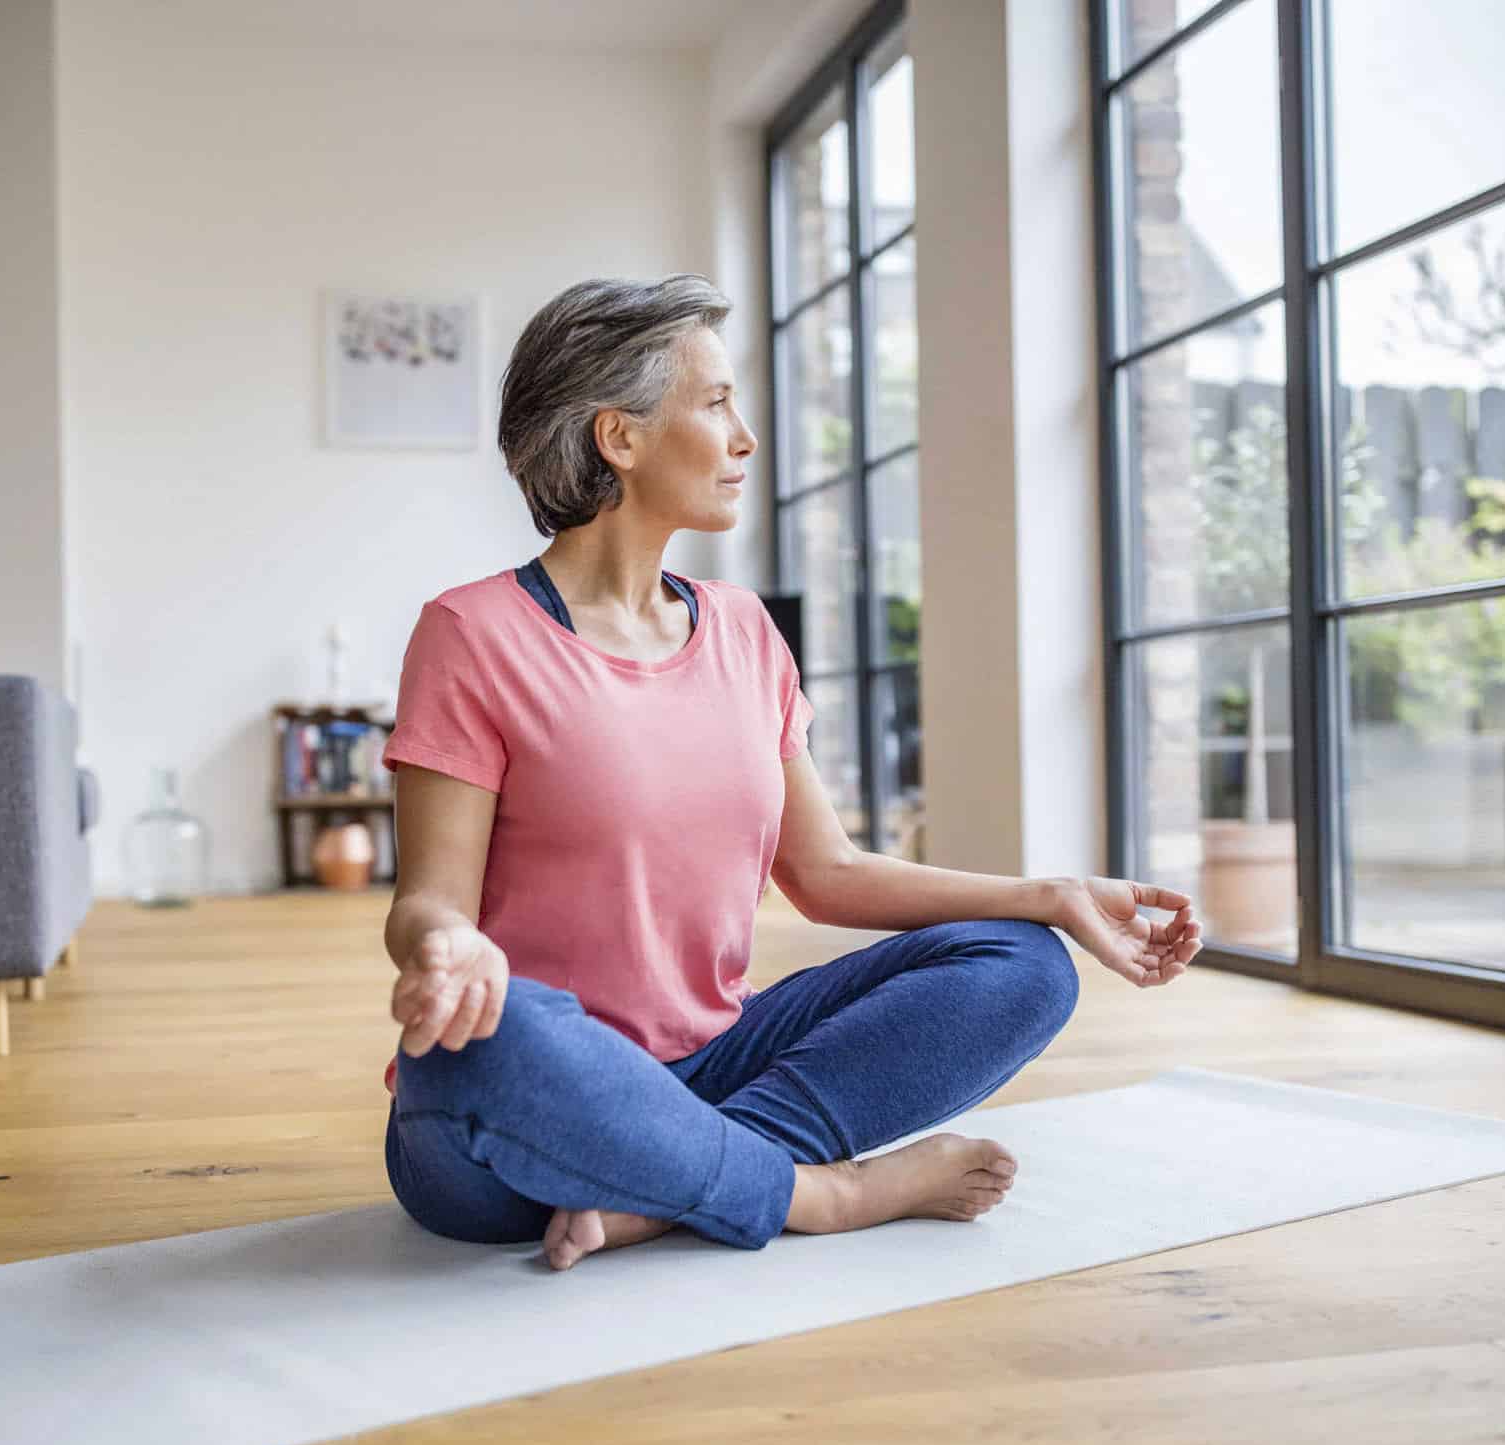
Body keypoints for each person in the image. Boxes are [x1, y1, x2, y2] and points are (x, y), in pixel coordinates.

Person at [378, 274, 1203, 1272]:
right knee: (496, 1031)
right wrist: (444, 951)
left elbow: (827, 875)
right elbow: (430, 901)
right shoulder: (473, 633)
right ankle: (822, 1193)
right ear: (618, 437)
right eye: (716, 402)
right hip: (530, 1101)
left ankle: (670, 1186)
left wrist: (1052, 896)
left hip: (711, 1070)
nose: (745, 438)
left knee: (1020, 962)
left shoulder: (740, 630)